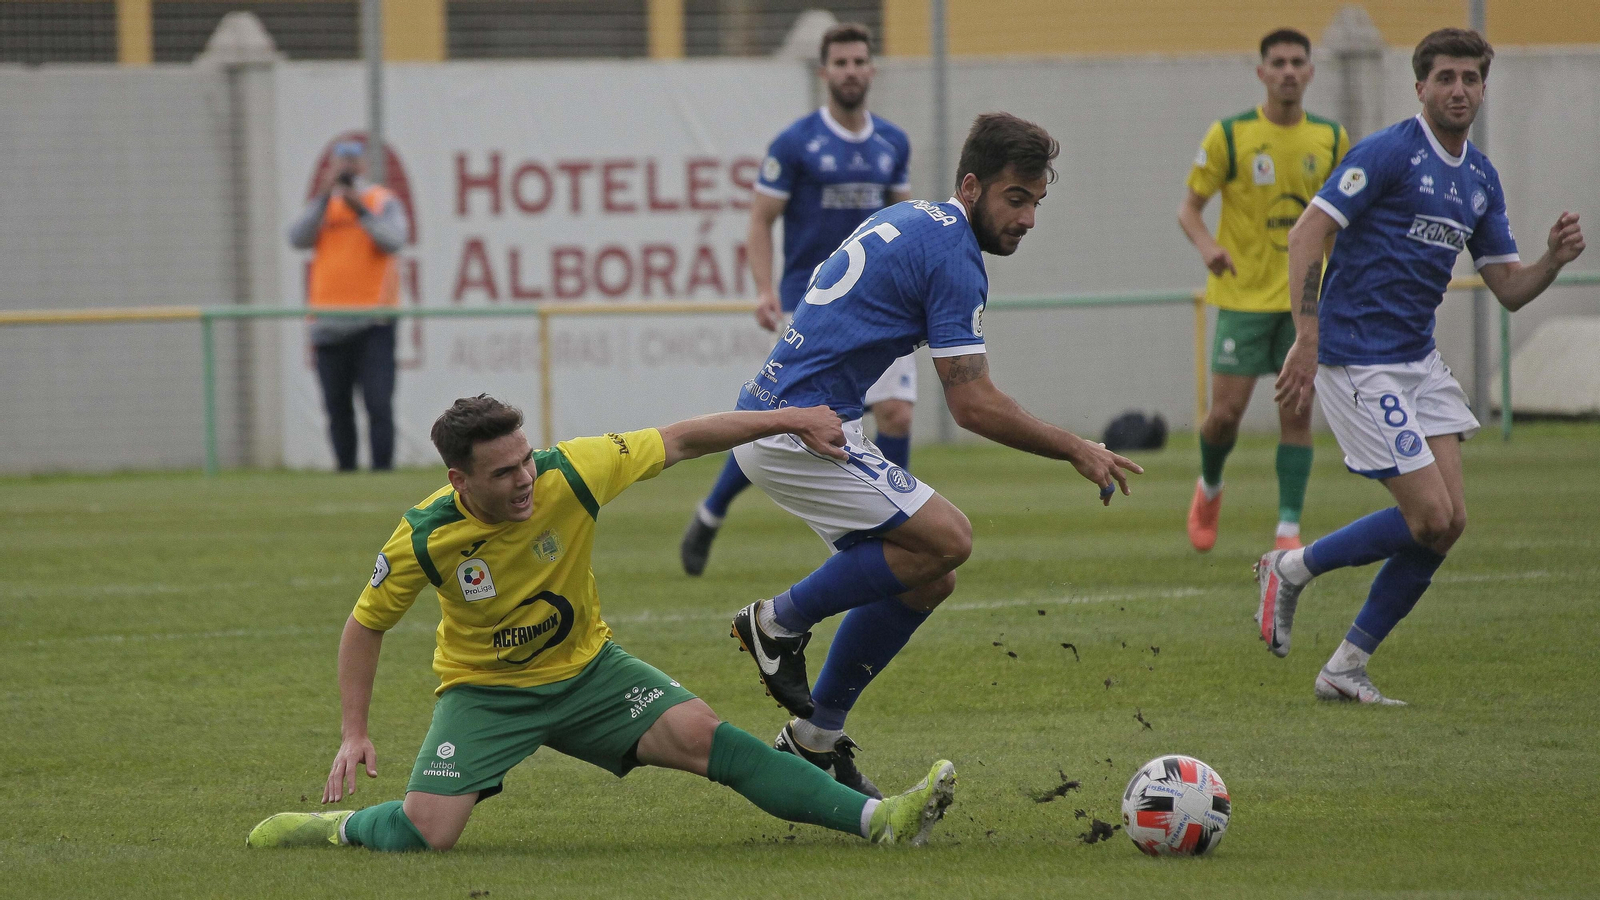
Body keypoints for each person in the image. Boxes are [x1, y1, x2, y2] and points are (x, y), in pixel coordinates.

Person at [246, 395, 956, 852]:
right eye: (502, 473)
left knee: (712, 739)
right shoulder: (425, 537)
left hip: (591, 675)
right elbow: (364, 625)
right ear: (460, 482)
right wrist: (354, 731)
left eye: (525, 460)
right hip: (486, 694)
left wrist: (789, 418)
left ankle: (882, 821)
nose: (524, 480)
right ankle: (331, 830)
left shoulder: (572, 473)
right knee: (427, 833)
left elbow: (682, 439)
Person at [725, 113, 1143, 793]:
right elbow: (971, 402)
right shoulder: (954, 255)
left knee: (928, 573)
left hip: (790, 420)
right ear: (972, 186)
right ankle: (776, 622)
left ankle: (816, 738)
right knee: (951, 536)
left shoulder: (919, 218)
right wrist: (1076, 449)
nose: (1029, 219)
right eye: (1016, 199)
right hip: (797, 429)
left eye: (1037, 203)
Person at [1257, 28, 1584, 704]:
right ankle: (1291, 567)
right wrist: (1308, 334)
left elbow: (1510, 289)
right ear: (1421, 88)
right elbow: (1307, 233)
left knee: (1449, 523)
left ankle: (1345, 666)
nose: (1459, 89)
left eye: (1470, 78)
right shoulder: (1387, 154)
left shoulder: (1481, 178)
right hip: (1358, 359)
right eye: (1446, 78)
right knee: (1429, 516)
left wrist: (1552, 259)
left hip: (1417, 361)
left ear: (1483, 88)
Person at [680, 23, 915, 577]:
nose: (852, 71)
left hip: (885, 307)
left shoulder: (892, 143)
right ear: (824, 72)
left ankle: (902, 533)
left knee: (897, 414)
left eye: (860, 61)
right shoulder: (795, 143)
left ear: (871, 70)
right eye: (842, 63)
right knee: (788, 421)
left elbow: (907, 222)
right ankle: (712, 511)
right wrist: (765, 289)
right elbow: (760, 220)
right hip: (816, 304)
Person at [1179, 28, 1348, 554]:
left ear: (1311, 72)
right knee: (1224, 415)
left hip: (1304, 307)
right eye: (1278, 63)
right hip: (1242, 298)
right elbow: (1189, 209)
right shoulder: (1230, 135)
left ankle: (1288, 527)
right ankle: (1209, 486)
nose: (1289, 71)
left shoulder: (1331, 139)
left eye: (1298, 62)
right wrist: (1208, 248)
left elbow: (1341, 224)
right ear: (1261, 72)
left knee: (1296, 415)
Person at [288, 139, 408, 472]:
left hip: (374, 322)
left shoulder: (380, 201)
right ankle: (346, 472)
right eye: (341, 163)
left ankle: (382, 472)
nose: (347, 169)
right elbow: (296, 238)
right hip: (328, 325)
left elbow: (395, 240)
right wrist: (324, 197)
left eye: (353, 163)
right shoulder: (323, 206)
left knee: (378, 404)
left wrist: (362, 212)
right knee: (337, 408)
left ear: (364, 166)